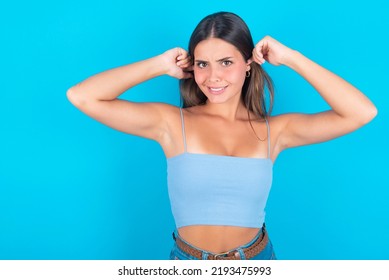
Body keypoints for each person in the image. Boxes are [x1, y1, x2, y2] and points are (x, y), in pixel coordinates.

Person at [67, 12, 377, 260]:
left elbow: (361, 112)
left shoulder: (275, 131)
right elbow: (82, 96)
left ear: (248, 65)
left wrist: (292, 57)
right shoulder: (172, 123)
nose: (212, 77)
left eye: (226, 62)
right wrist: (159, 65)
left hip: (257, 262)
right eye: (203, 64)